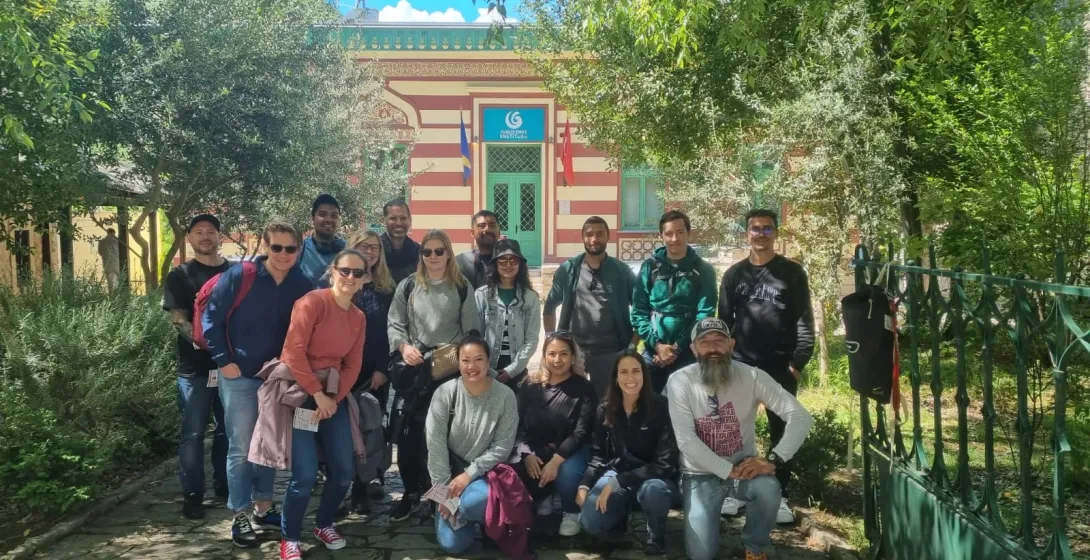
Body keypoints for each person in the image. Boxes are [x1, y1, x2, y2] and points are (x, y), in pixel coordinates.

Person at [201, 220, 314, 549]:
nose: (282, 254)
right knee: (240, 447)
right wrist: (224, 361)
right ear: (266, 245)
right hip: (239, 375)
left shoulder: (301, 284)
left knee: (267, 445)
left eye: (289, 248)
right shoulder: (242, 275)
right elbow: (211, 318)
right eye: (276, 247)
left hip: (276, 380)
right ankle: (239, 513)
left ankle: (264, 507)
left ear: (298, 250)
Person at [666, 317, 813, 560]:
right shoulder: (680, 381)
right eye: (705, 342)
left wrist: (774, 460)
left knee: (768, 488)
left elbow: (800, 416)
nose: (713, 348)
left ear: (731, 344)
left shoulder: (753, 377)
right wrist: (727, 470)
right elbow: (686, 441)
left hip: (743, 468)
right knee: (701, 554)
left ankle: (754, 548)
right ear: (693, 348)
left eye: (720, 341)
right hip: (699, 475)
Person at [718, 209, 815, 522]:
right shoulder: (734, 276)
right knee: (734, 432)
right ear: (747, 233)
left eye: (767, 229)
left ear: (776, 233)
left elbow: (804, 321)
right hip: (741, 366)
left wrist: (797, 364)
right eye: (755, 229)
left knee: (781, 431)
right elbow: (723, 324)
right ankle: (736, 491)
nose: (761, 234)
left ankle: (780, 496)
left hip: (779, 367)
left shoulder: (791, 273)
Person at [276, 250, 367, 560]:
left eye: (357, 273)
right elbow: (292, 352)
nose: (350, 277)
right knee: (304, 475)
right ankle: (289, 537)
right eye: (345, 271)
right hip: (302, 395)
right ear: (333, 272)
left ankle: (324, 523)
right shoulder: (312, 303)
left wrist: (334, 400)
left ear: (364, 279)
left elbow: (353, 365)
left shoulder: (358, 318)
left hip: (333, 397)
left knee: (343, 471)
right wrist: (316, 394)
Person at [387, 229, 481, 521]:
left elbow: (472, 333)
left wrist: (457, 361)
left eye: (439, 251)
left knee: (440, 438)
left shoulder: (462, 286)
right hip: (415, 373)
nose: (433, 257)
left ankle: (438, 496)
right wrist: (403, 347)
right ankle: (411, 493)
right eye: (427, 252)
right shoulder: (408, 286)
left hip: (447, 372)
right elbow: (395, 324)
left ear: (449, 253)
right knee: (407, 436)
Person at [577, 350, 679, 555]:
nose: (630, 378)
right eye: (623, 372)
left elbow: (665, 464)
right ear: (615, 377)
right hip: (619, 474)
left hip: (655, 478)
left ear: (644, 375)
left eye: (636, 371)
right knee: (589, 522)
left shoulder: (661, 407)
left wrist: (620, 481)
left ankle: (656, 534)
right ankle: (619, 517)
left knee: (654, 491)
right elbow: (598, 456)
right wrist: (584, 484)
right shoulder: (605, 409)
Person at [425, 332, 519, 555]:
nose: (472, 366)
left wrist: (469, 474)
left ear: (488, 361)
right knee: (452, 545)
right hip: (449, 474)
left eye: (478, 359)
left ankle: (485, 520)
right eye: (465, 360)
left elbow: (502, 447)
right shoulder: (445, 392)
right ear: (458, 362)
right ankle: (456, 516)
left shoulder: (505, 395)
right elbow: (435, 443)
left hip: (485, 475)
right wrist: (443, 492)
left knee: (473, 503)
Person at [162, 214, 230, 519]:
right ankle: (192, 493)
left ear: (219, 236)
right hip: (194, 367)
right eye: (199, 232)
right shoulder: (180, 275)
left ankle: (224, 483)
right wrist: (206, 342)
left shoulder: (234, 272)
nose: (205, 236)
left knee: (227, 430)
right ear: (189, 237)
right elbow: (178, 318)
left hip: (231, 367)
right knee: (193, 433)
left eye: (211, 231)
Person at [512, 331, 596, 537]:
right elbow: (517, 425)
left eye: (563, 354)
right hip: (535, 448)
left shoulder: (584, 388)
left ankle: (570, 510)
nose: (557, 360)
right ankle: (544, 499)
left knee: (566, 473)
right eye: (551, 354)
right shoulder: (529, 385)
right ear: (544, 355)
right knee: (515, 468)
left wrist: (555, 462)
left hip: (571, 449)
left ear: (573, 356)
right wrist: (526, 453)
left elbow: (581, 431)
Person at [542, 216, 638, 398]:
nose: (594, 239)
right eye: (590, 234)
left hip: (610, 352)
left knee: (605, 405)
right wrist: (551, 339)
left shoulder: (621, 271)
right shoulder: (569, 269)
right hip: (574, 352)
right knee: (573, 401)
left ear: (608, 236)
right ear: (583, 237)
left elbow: (641, 310)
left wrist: (632, 346)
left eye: (600, 234)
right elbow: (549, 307)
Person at [631, 210, 718, 393]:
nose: (674, 238)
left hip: (688, 352)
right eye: (669, 233)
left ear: (689, 233)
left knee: (686, 409)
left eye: (680, 232)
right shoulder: (650, 267)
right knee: (647, 405)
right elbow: (639, 311)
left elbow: (705, 314)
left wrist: (676, 348)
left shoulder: (703, 269)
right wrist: (657, 345)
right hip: (653, 351)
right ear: (661, 236)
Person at [474, 239, 541, 392]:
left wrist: (513, 370)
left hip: (517, 368)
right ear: (495, 264)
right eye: (502, 261)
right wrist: (488, 369)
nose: (508, 265)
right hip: (486, 367)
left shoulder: (531, 298)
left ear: (520, 264)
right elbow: (476, 336)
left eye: (513, 260)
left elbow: (531, 338)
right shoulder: (481, 295)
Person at [298, 194, 347, 284]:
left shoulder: (348, 249)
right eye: (322, 214)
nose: (328, 219)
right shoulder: (300, 249)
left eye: (334, 215)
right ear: (312, 218)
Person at [456, 210, 500, 289]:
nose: (487, 229)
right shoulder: (459, 263)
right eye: (481, 226)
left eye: (492, 225)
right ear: (472, 233)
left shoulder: (509, 262)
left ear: (499, 232)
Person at [381, 198, 420, 284]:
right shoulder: (375, 249)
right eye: (393, 218)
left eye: (403, 218)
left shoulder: (418, 251)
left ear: (410, 220)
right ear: (384, 221)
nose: (399, 223)